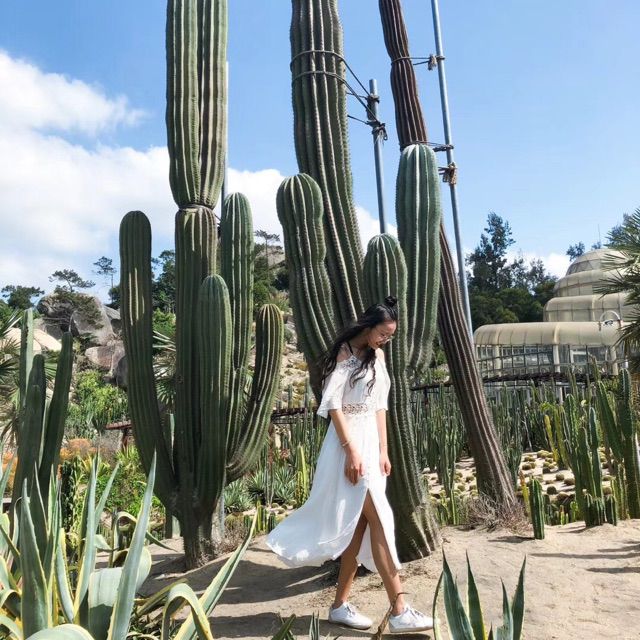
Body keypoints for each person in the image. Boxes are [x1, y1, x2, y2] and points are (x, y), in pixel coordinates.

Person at [266, 296, 433, 633]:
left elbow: (380, 406)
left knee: (358, 529)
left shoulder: (378, 356)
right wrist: (351, 451)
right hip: (348, 446)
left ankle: (339, 606)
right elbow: (333, 406)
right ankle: (399, 610)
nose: (385, 340)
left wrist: (384, 451)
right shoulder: (344, 353)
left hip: (371, 445)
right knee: (380, 520)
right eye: (383, 334)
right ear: (368, 326)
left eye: (390, 336)